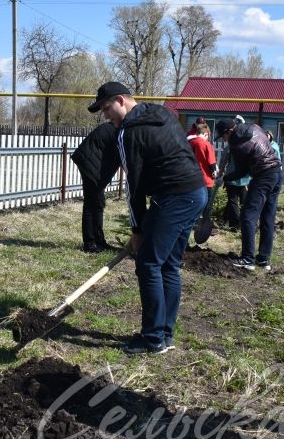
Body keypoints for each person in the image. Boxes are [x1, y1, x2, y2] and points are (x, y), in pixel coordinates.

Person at [89, 82, 207, 354]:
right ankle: (165, 334)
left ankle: (153, 338)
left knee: (148, 264)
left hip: (174, 197)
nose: (107, 116)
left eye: (107, 109)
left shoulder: (127, 133)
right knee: (169, 265)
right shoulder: (162, 113)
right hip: (195, 192)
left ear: (121, 100)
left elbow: (134, 184)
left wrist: (137, 229)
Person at [216, 117, 282, 272]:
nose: (224, 140)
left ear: (229, 131)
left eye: (223, 136)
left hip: (263, 176)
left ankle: (248, 259)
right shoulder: (254, 128)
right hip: (277, 173)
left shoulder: (237, 144)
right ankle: (264, 259)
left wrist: (224, 178)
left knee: (248, 216)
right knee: (268, 217)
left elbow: (241, 172)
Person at [72, 121, 120, 253]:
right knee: (92, 204)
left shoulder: (119, 127)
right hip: (89, 163)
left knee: (97, 203)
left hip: (91, 162)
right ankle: (90, 244)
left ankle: (99, 241)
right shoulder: (119, 129)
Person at [187, 122, 217, 229]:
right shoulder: (206, 145)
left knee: (193, 201)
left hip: (191, 178)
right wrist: (215, 175)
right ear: (206, 134)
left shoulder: (189, 143)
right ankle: (204, 224)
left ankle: (192, 221)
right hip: (206, 179)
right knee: (207, 203)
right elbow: (212, 164)